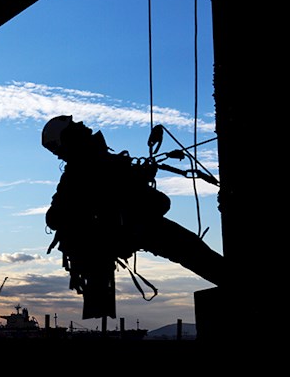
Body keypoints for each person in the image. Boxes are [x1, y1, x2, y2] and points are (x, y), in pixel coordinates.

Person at [42, 115, 225, 319]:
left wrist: (135, 178)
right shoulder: (82, 171)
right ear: (70, 138)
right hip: (133, 228)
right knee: (190, 248)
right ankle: (237, 284)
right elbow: (56, 216)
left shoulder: (93, 164)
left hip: (132, 227)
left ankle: (233, 280)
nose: (85, 127)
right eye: (78, 128)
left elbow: (125, 190)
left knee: (190, 248)